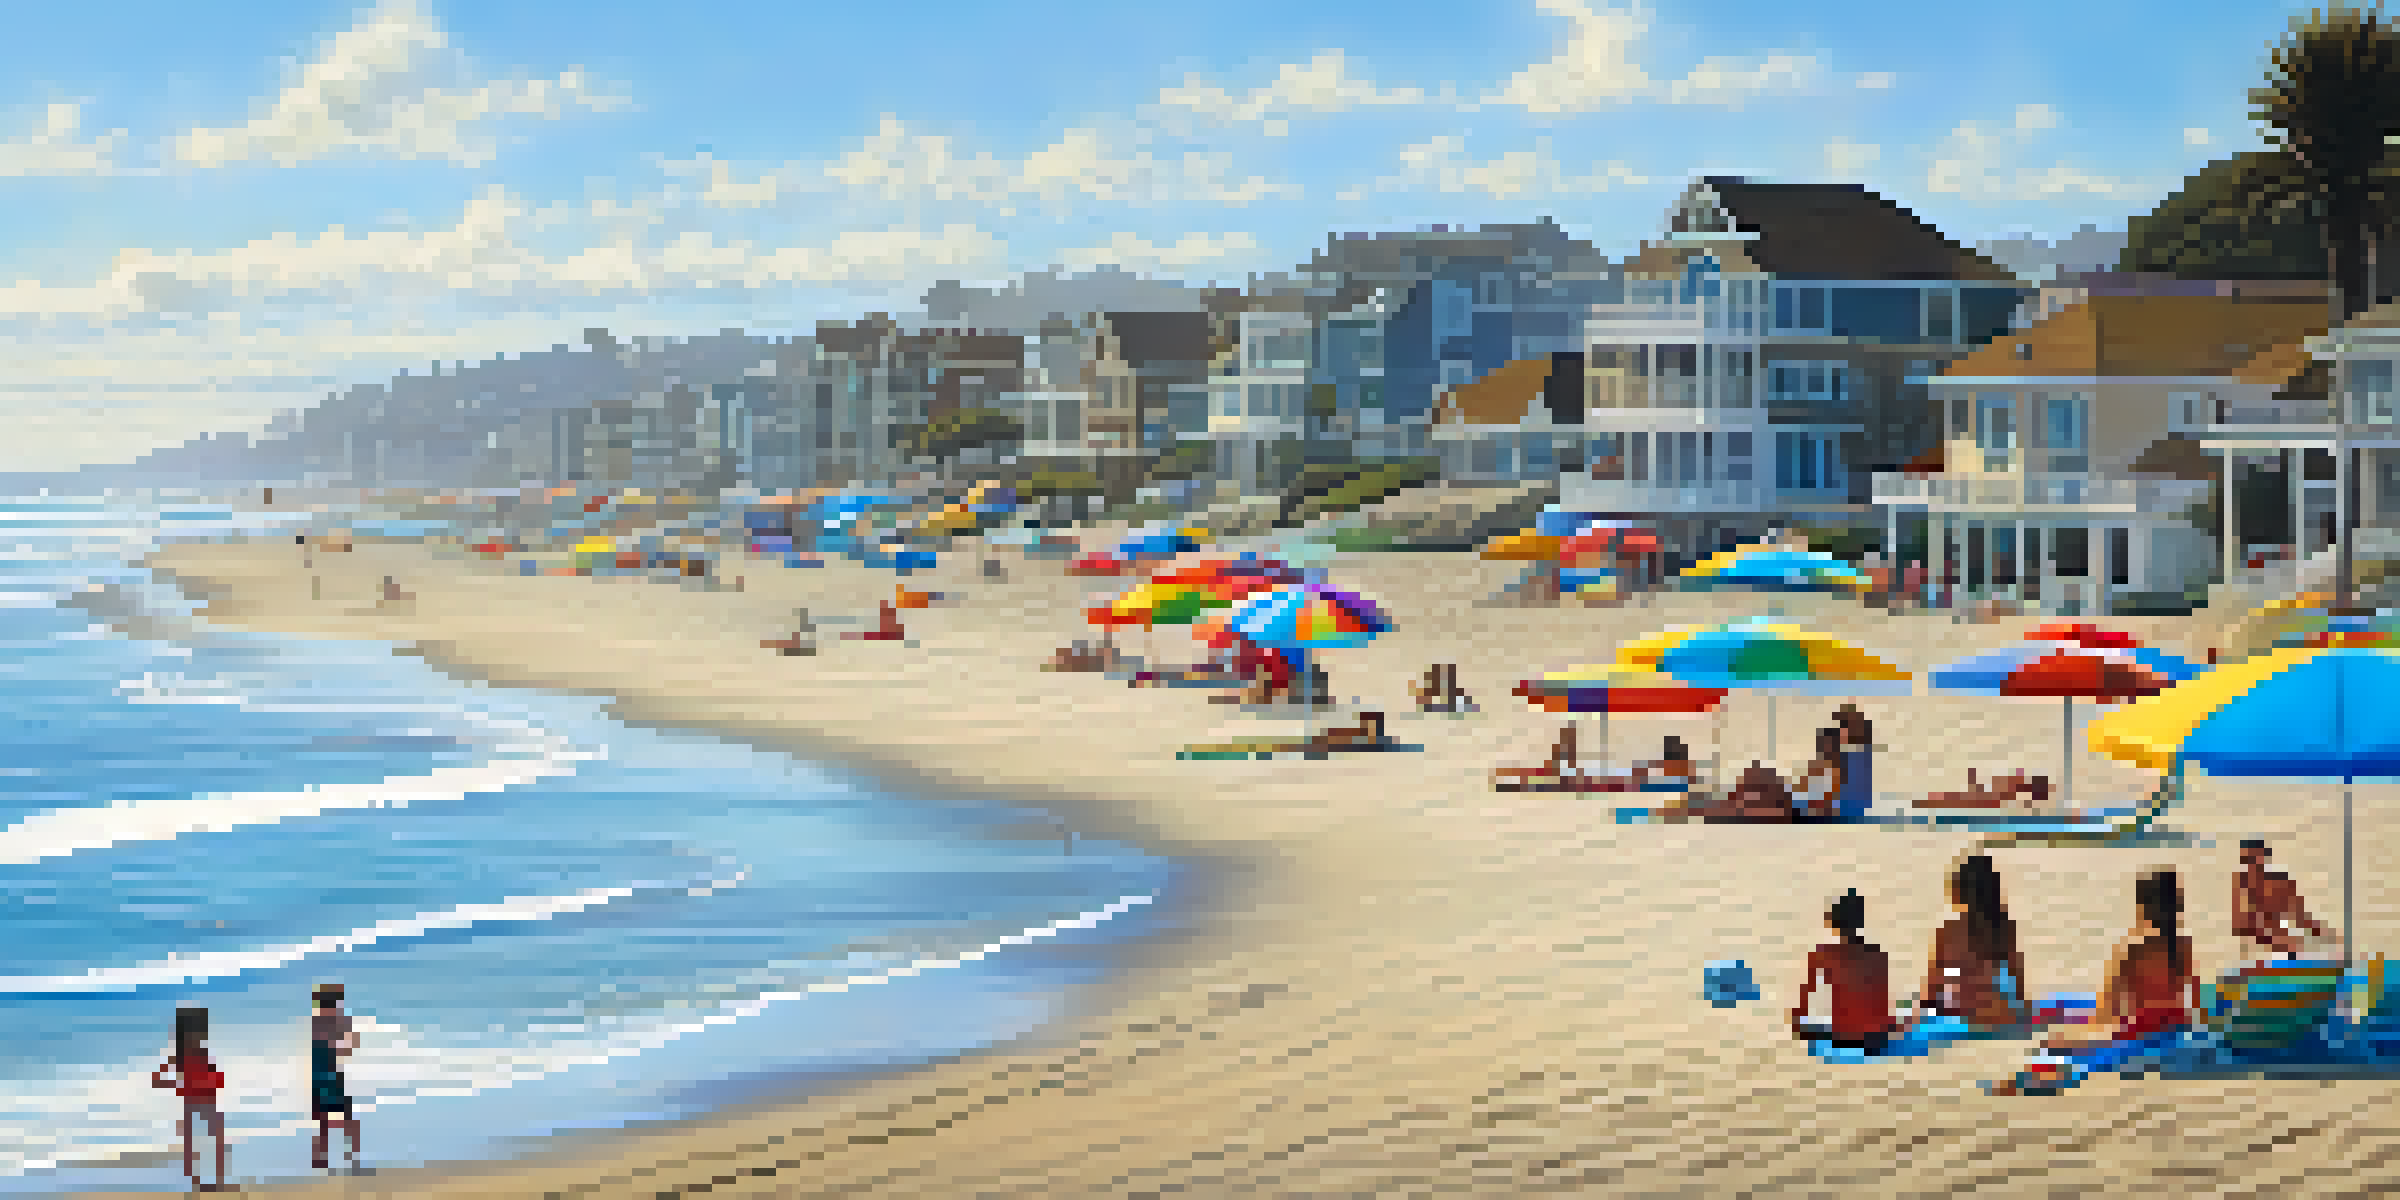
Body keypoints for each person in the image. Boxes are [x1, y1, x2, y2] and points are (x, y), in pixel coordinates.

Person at [1990, 869, 2200, 1094]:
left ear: (2143, 907)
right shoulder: (2183, 945)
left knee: (2053, 1043)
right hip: (2172, 1026)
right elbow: (2191, 1001)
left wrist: (2078, 1033)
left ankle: (2030, 1080)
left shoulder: (2134, 947)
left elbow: (2108, 1011)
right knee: (2065, 1010)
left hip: (2139, 1030)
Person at [1921, 854, 2033, 1031]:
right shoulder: (2003, 926)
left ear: (1960, 891)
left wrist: (1927, 1008)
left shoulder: (1950, 931)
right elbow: (2016, 977)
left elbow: (1934, 984)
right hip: (2003, 1009)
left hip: (1965, 1011)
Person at [1792, 890, 1897, 1054]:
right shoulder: (1877, 955)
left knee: (1803, 1022)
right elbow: (1881, 1001)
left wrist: (1798, 1021)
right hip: (1877, 1037)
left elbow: (1805, 1002)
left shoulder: (1823, 955)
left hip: (1843, 1037)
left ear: (1834, 922)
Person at [150, 1006, 228, 1191]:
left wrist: (182, 1086)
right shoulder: (181, 1056)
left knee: (210, 1140)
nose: (197, 1036)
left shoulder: (198, 1053)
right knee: (195, 1142)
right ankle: (199, 1181)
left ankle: (214, 1181)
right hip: (196, 1101)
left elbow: (215, 1077)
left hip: (205, 1100)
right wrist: (180, 1086)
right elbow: (157, 1080)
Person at [2233, 839, 2336, 960]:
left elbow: (2298, 910)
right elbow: (2241, 924)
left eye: (2256, 858)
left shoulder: (2278, 882)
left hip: (2283, 941)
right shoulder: (2242, 885)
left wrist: (2316, 930)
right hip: (2264, 945)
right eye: (2249, 860)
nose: (2253, 864)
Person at [311, 984, 362, 1171]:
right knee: (347, 1120)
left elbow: (342, 1048)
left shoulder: (318, 1023)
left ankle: (320, 1161)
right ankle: (351, 1159)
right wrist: (347, 1029)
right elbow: (346, 1049)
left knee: (323, 1122)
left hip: (319, 1077)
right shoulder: (328, 1024)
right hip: (328, 1076)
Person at [1790, 727, 1845, 821]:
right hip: (1807, 808)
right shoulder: (1815, 765)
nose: (1826, 747)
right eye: (1824, 743)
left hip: (1821, 812)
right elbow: (1802, 788)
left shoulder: (1837, 769)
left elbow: (1833, 798)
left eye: (1830, 744)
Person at [1833, 705, 1874, 820]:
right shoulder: (1858, 753)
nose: (1840, 732)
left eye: (1842, 726)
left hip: (1849, 813)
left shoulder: (1855, 756)